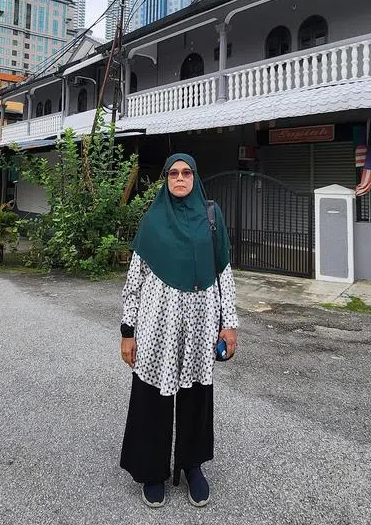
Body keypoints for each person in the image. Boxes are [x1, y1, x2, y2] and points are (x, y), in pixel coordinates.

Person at [120, 153, 238, 509]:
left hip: (201, 325)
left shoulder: (211, 219)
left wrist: (228, 324)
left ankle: (193, 465)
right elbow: (134, 282)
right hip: (157, 326)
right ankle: (151, 470)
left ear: (195, 178)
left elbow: (224, 275)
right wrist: (128, 331)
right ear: (166, 180)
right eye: (174, 173)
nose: (180, 178)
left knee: (197, 395)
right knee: (152, 396)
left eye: (187, 172)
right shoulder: (152, 223)